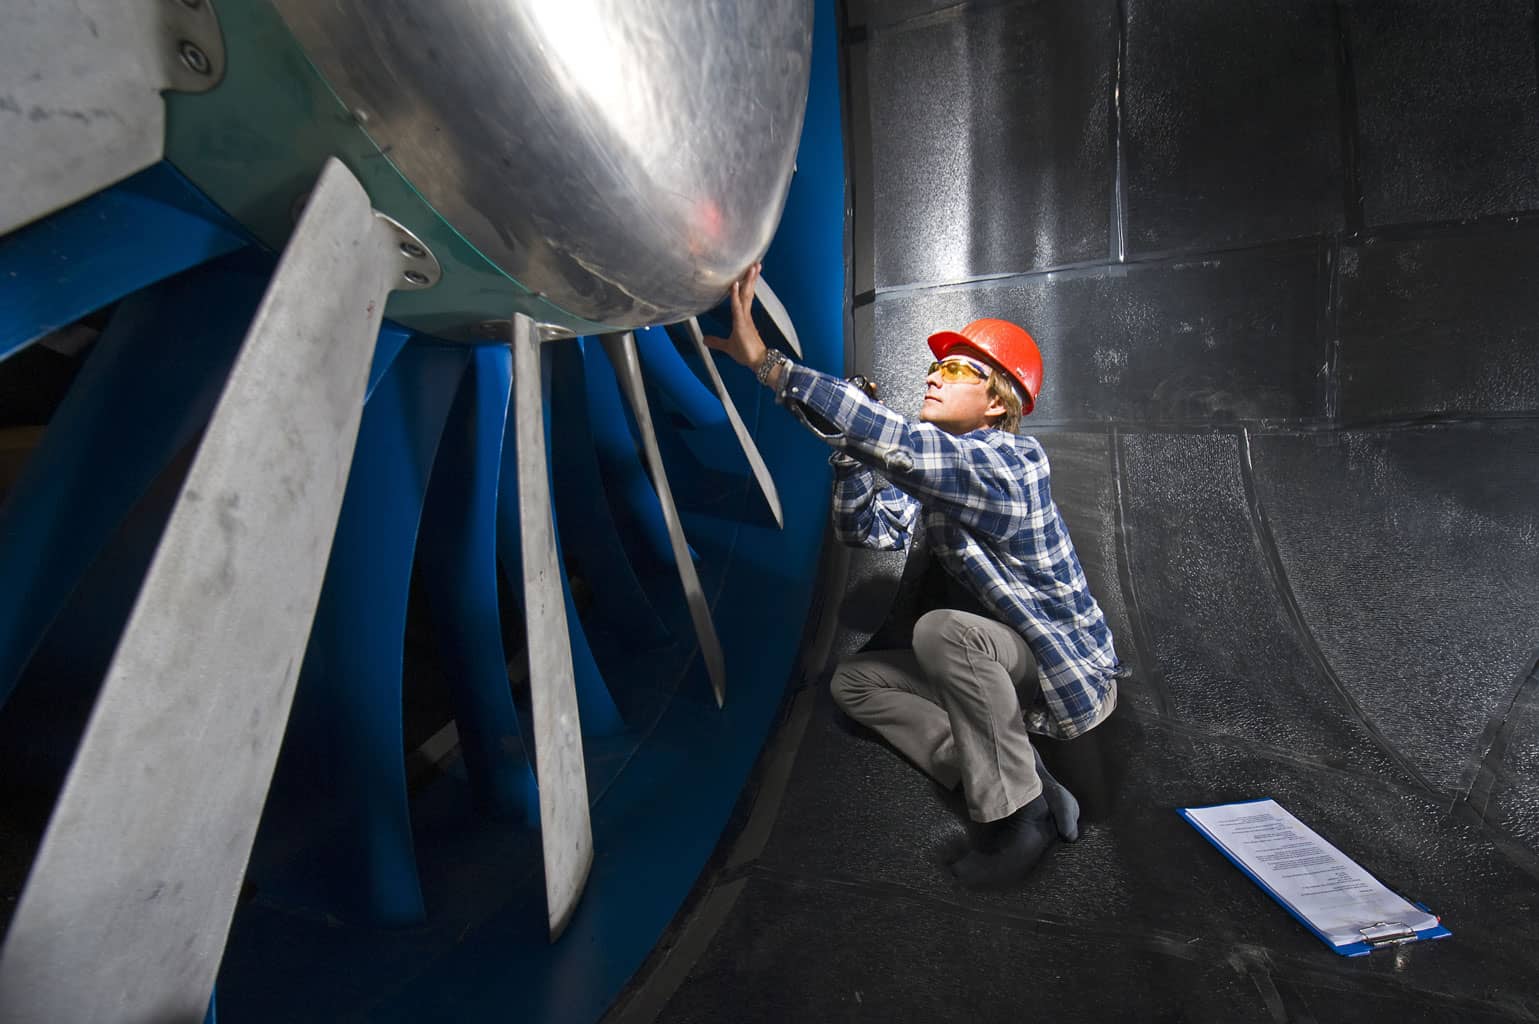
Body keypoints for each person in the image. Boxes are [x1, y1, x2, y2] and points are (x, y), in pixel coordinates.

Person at [705, 264, 1121, 889]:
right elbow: (868, 529)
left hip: (1056, 669)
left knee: (943, 631)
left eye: (955, 370)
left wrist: (770, 365)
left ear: (997, 399)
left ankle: (1021, 815)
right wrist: (850, 455)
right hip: (1002, 665)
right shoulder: (947, 473)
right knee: (855, 683)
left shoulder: (1010, 465)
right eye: (934, 367)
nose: (933, 375)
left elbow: (902, 447)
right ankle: (1019, 771)